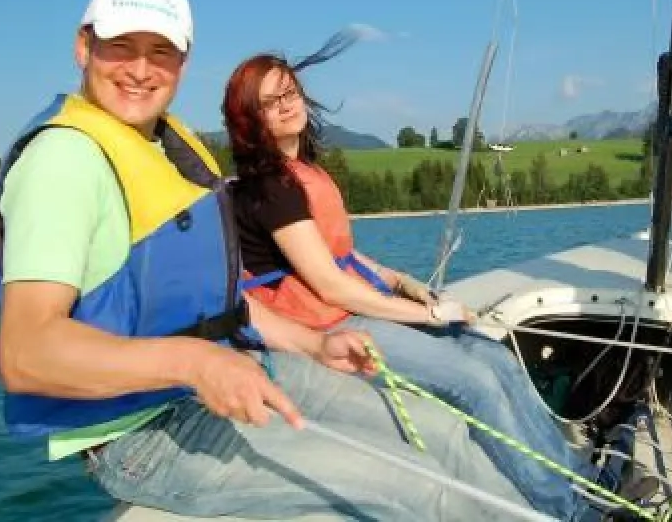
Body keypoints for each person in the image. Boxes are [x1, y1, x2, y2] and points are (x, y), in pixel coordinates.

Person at [0, 0, 544, 521]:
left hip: (238, 372)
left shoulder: (165, 150)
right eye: (120, 47)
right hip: (145, 433)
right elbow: (26, 354)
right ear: (84, 47)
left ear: (183, 62)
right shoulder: (64, 163)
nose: (140, 69)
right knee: (424, 492)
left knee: (443, 437)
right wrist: (194, 362)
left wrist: (311, 345)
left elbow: (219, 302)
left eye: (161, 52)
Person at [222, 51, 642, 521]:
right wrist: (429, 315)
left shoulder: (303, 172)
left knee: (497, 358)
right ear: (248, 121)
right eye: (268, 102)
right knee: (475, 383)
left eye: (289, 91)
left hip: (350, 308)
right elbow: (330, 285)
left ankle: (584, 483)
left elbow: (341, 254)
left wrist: (402, 281)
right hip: (330, 325)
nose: (285, 104)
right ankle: (572, 511)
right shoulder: (270, 188)